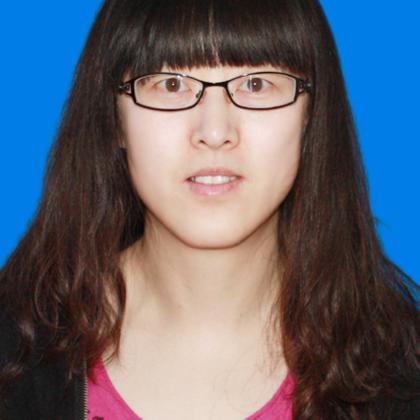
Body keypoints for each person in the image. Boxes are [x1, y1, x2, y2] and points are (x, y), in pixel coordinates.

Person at [0, 0, 418, 419]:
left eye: (256, 84)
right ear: (114, 119)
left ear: (310, 118)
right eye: (171, 84)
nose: (215, 132)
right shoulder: (13, 348)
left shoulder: (403, 369)